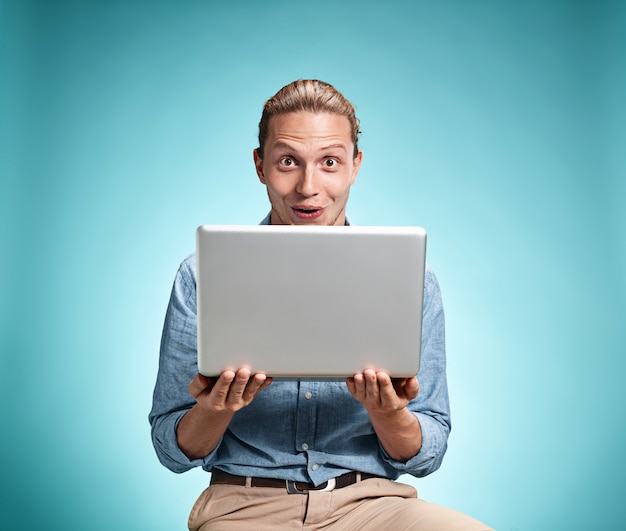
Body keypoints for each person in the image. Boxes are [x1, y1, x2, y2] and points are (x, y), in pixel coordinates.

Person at [149, 79, 492, 530]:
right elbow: (170, 448)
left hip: (371, 505)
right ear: (260, 165)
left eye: (329, 162)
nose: (308, 186)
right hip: (245, 507)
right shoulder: (200, 277)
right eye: (288, 161)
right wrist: (217, 409)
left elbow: (428, 451)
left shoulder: (413, 281)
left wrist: (387, 413)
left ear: (355, 166)